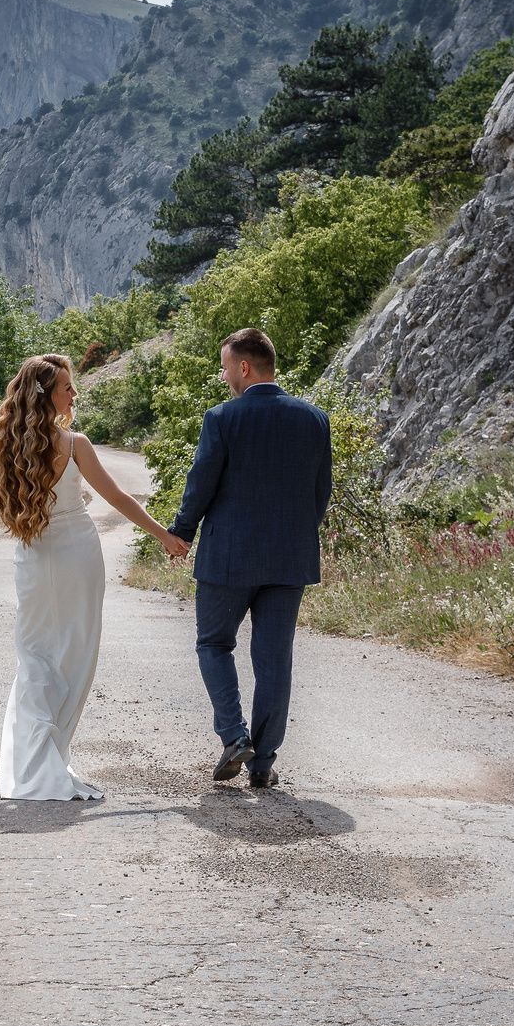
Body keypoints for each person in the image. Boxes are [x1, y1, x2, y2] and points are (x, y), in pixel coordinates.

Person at [0, 353, 188, 801]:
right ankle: (49, 758)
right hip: (77, 557)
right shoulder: (75, 444)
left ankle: (32, 762)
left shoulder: (7, 445)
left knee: (36, 657)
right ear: (46, 395)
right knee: (75, 656)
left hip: (32, 560)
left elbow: (10, 510)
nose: (75, 394)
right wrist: (163, 535)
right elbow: (118, 497)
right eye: (67, 388)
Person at [163, 328, 331, 789]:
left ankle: (236, 738)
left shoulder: (222, 418)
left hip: (228, 559)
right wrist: (292, 537)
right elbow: (321, 495)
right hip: (289, 560)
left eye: (224, 367)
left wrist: (180, 532)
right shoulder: (315, 419)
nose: (222, 377)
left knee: (214, 644)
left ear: (243, 367)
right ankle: (262, 765)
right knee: (275, 659)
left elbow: (201, 484)